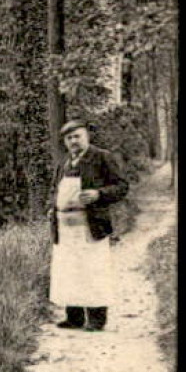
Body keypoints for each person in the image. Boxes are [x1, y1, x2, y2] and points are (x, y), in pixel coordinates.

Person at [48, 119, 129, 332]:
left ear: (87, 136)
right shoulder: (64, 163)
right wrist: (53, 208)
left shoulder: (102, 157)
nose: (73, 141)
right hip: (64, 229)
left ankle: (96, 319)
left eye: (77, 136)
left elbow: (122, 186)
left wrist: (98, 194)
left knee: (93, 270)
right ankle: (73, 317)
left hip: (90, 226)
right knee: (68, 271)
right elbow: (54, 192)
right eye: (69, 138)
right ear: (65, 142)